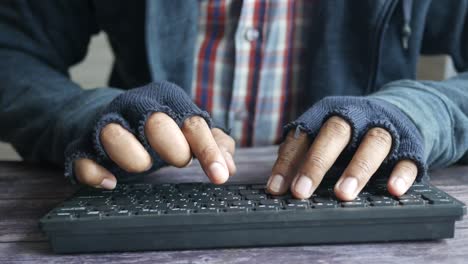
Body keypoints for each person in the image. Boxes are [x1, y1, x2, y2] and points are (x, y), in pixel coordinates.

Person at [0, 0, 467, 202]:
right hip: (146, 203)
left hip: (354, 210)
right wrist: (85, 115)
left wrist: (418, 114)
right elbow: (14, 49)